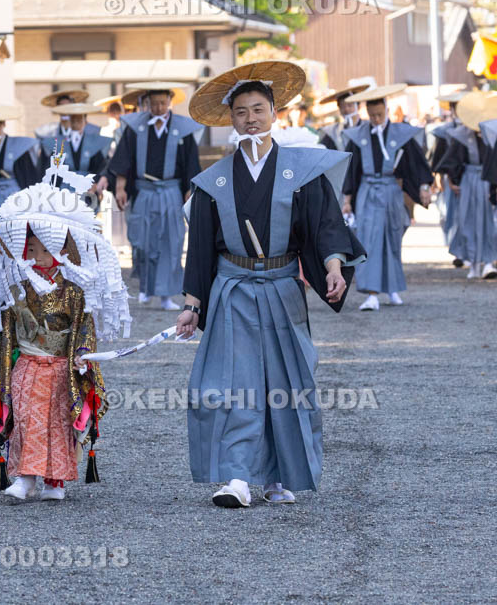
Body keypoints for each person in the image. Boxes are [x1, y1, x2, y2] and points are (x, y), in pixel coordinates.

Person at [177, 61, 365, 508]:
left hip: (282, 286)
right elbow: (200, 246)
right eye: (241, 112)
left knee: (286, 381)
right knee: (236, 382)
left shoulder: (302, 170)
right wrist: (192, 304)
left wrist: (334, 267)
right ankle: (237, 477)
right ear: (232, 119)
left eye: (258, 109)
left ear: (275, 113)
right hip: (233, 288)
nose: (250, 119)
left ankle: (280, 476)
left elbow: (325, 227)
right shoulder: (214, 181)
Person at [0, 151, 131, 501]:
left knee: (58, 424)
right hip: (26, 366)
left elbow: (83, 328)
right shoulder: (16, 287)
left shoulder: (74, 289)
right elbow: (0, 326)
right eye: (28, 248)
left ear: (58, 250)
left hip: (60, 368)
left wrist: (83, 354)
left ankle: (55, 481)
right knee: (28, 421)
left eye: (39, 248)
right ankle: (25, 478)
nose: (32, 255)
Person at [107, 82, 202, 309]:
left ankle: (166, 295)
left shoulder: (183, 128)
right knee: (142, 242)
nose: (159, 107)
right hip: (144, 191)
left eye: (163, 103)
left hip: (170, 191)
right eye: (154, 103)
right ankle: (145, 288)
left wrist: (190, 191)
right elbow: (123, 159)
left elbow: (191, 162)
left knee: (171, 242)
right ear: (147, 104)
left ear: (169, 103)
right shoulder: (136, 127)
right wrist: (120, 188)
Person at [340, 84, 433, 311]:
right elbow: (351, 170)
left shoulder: (401, 133)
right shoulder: (359, 135)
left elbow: (416, 163)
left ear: (386, 109)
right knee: (368, 240)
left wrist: (423, 186)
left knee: (393, 239)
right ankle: (371, 293)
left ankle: (392, 288)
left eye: (379, 114)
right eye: (371, 116)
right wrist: (347, 200)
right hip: (368, 191)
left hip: (391, 191)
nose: (376, 119)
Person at [434, 91, 497, 279]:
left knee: (488, 223)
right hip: (469, 180)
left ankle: (488, 262)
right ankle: (473, 263)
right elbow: (452, 160)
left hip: (487, 181)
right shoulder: (461, 134)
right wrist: (452, 181)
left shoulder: (492, 133)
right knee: (468, 221)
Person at [39, 102, 110, 206]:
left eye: (79, 119)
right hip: (65, 188)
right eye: (73, 119)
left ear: (85, 121)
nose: (76, 122)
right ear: (69, 121)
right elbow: (51, 167)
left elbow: (100, 166)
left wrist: (94, 183)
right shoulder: (59, 142)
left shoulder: (93, 142)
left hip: (87, 187)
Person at [431, 91, 469, 266]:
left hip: (469, 177)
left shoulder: (473, 129)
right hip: (449, 178)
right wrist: (439, 178)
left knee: (468, 216)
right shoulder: (445, 131)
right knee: (451, 216)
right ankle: (458, 251)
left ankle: (467, 252)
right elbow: (438, 157)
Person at [316, 84, 369, 150]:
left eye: (350, 105)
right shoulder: (333, 132)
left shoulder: (368, 127)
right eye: (342, 106)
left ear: (358, 106)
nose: (346, 109)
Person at [33, 88, 100, 139]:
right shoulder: (48, 133)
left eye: (68, 107)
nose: (65, 112)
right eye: (61, 108)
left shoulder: (93, 131)